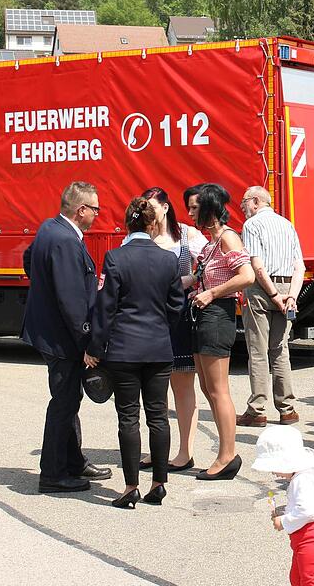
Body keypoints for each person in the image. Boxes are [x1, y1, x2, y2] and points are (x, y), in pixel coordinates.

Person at [86, 196, 185, 509]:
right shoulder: (169, 260)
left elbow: (106, 309)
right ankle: (159, 483)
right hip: (158, 348)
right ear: (153, 224)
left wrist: (95, 347)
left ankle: (130, 487)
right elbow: (176, 306)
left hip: (124, 349)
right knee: (158, 416)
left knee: (128, 417)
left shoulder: (115, 258)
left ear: (127, 224)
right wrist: (160, 329)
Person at [22, 181, 112, 494]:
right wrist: (86, 343)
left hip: (51, 332)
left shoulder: (49, 228)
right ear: (81, 210)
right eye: (95, 209)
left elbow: (28, 259)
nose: (98, 215)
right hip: (61, 339)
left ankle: (74, 461)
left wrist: (43, 291)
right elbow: (72, 302)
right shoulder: (65, 240)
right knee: (63, 403)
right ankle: (53, 473)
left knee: (69, 400)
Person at [184, 183, 254, 480]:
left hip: (217, 316)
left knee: (218, 389)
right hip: (205, 315)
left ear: (210, 208)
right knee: (207, 388)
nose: (190, 213)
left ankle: (227, 455)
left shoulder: (228, 238)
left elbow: (247, 276)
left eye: (194, 208)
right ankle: (224, 453)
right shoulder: (212, 242)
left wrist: (211, 293)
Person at [136, 185, 205, 473]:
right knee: (153, 387)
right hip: (150, 316)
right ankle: (157, 449)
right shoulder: (141, 238)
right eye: (145, 208)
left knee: (182, 384)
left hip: (178, 318)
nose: (148, 213)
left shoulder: (187, 236)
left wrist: (187, 282)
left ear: (165, 207)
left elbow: (210, 263)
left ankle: (185, 452)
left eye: (152, 207)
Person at [238, 185, 304, 427]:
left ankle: (257, 410)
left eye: (244, 202)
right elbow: (299, 266)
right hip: (288, 288)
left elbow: (257, 266)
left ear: (255, 201)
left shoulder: (251, 225)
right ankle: (287, 409)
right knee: (280, 349)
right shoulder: (287, 224)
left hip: (262, 289)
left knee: (258, 351)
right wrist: (291, 296)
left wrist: (274, 295)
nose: (242, 207)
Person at [253, 426, 314, 586]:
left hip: (312, 539)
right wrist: (286, 513)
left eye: (274, 467)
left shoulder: (301, 480)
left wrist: (283, 521)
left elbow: (307, 512)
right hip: (308, 538)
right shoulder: (304, 475)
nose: (273, 473)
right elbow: (304, 506)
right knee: (297, 579)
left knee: (307, 581)